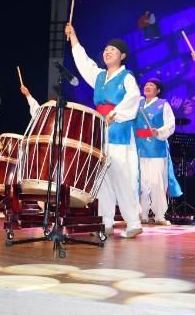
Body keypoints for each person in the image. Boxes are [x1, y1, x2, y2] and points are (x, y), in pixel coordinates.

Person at [65, 23, 143, 238]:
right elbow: (83, 61)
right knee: (103, 178)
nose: (107, 52)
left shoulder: (126, 77)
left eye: (113, 50)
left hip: (119, 128)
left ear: (122, 56)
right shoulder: (99, 76)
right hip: (101, 129)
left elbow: (134, 97)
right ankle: (106, 221)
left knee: (121, 176)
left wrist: (115, 113)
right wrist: (74, 36)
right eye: (106, 49)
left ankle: (133, 222)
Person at [134, 78, 182, 225]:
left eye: (151, 85)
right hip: (139, 147)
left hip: (156, 147)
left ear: (158, 90)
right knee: (141, 183)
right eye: (146, 85)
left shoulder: (163, 104)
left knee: (156, 182)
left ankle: (160, 215)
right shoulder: (138, 103)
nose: (147, 86)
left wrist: (159, 131)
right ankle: (142, 214)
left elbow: (170, 124)